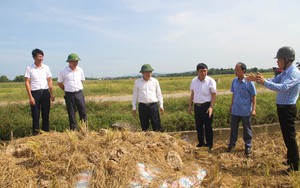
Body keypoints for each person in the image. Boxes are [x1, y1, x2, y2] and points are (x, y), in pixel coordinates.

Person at [246, 46, 300, 172]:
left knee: (290, 137)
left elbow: (282, 87)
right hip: (282, 108)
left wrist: (264, 82)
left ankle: (295, 166)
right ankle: (291, 158)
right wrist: (259, 80)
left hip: (288, 109)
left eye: (279, 59)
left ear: (286, 59)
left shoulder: (294, 73)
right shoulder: (286, 72)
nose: (277, 61)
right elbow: (274, 80)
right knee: (287, 136)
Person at [226, 62, 257, 156]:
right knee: (233, 128)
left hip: (245, 111)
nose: (235, 71)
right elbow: (234, 94)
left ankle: (248, 146)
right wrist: (231, 106)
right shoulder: (234, 81)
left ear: (243, 71)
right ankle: (232, 144)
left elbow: (253, 96)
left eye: (237, 69)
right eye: (235, 69)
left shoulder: (249, 82)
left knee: (247, 129)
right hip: (235, 110)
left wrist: (254, 109)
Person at [25, 48, 55, 135]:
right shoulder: (29, 68)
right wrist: (30, 97)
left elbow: (49, 80)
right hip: (35, 93)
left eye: (42, 56)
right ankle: (36, 133)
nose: (41, 58)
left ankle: (46, 132)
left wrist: (51, 94)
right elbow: (27, 82)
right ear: (34, 57)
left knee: (46, 113)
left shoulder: (46, 67)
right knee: (35, 114)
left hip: (45, 92)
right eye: (39, 57)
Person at [188, 63, 216, 149]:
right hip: (197, 106)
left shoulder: (210, 81)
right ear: (197, 72)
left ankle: (209, 144)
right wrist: (190, 106)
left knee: (208, 126)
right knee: (199, 126)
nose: (203, 73)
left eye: (205, 71)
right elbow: (192, 94)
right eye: (201, 71)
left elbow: (214, 94)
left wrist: (211, 106)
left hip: (206, 106)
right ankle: (201, 143)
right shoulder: (194, 81)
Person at [58, 53, 87, 130]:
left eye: (77, 61)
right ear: (69, 62)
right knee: (71, 112)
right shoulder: (63, 71)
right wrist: (67, 89)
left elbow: (82, 80)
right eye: (74, 61)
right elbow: (60, 83)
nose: (76, 63)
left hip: (79, 93)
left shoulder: (80, 70)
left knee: (83, 111)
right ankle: (73, 130)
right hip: (69, 95)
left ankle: (84, 129)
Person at [132, 64, 164, 131]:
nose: (149, 73)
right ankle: (146, 140)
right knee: (144, 126)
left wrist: (161, 105)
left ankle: (157, 139)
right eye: (146, 72)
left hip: (153, 106)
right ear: (142, 73)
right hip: (142, 106)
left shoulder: (155, 81)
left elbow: (159, 94)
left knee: (156, 124)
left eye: (150, 72)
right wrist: (134, 107)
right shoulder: (137, 82)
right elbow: (135, 95)